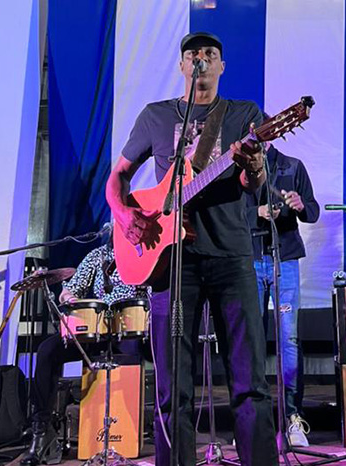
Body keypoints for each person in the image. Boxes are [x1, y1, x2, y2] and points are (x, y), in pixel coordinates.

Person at [105, 32, 278, 466]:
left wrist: (255, 167)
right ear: (183, 66)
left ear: (221, 66)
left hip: (232, 255)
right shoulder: (156, 116)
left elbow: (253, 184)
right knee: (173, 387)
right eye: (193, 54)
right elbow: (118, 177)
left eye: (210, 54)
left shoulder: (244, 115)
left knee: (250, 381)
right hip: (170, 263)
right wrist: (124, 215)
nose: (201, 59)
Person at [21, 240, 147, 466]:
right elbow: (70, 290)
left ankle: (134, 432)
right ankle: (42, 432)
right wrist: (68, 297)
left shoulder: (144, 253)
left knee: (134, 357)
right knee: (47, 350)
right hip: (96, 330)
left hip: (129, 330)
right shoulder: (97, 255)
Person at [245, 144, 319, 447]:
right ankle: (252, 420)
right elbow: (231, 214)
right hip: (250, 258)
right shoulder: (239, 168)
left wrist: (300, 206)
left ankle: (292, 416)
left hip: (284, 258)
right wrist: (257, 212)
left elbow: (312, 211)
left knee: (288, 338)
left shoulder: (292, 165)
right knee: (252, 338)